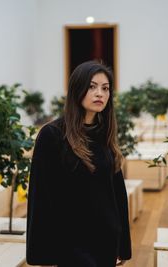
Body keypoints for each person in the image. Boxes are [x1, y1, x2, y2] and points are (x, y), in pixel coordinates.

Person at [26, 60, 132, 267]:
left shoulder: (105, 133)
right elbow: (41, 197)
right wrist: (43, 254)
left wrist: (122, 245)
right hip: (70, 245)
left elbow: (117, 194)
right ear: (77, 89)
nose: (100, 93)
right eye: (92, 87)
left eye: (105, 88)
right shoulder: (52, 135)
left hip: (105, 239)